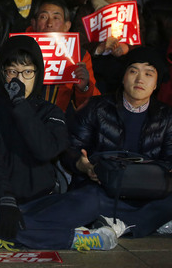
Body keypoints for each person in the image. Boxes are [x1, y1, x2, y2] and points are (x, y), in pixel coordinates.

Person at [0, 35, 117, 252]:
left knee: (91, 201)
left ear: (37, 75)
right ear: (2, 73)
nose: (19, 79)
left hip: (41, 201)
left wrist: (20, 105)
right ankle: (75, 240)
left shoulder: (50, 111)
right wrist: (6, 199)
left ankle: (2, 237)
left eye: (27, 72)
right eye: (12, 72)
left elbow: (45, 150)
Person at [63, 47, 172, 239]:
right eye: (133, 71)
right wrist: (83, 164)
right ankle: (134, 223)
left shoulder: (167, 117)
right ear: (123, 77)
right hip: (101, 188)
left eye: (148, 74)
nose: (140, 80)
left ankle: (118, 224)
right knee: (84, 198)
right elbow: (70, 148)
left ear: (156, 84)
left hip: (147, 192)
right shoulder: (96, 107)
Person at [30, 0, 100, 113]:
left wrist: (84, 87)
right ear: (34, 23)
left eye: (56, 17)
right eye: (43, 17)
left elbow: (92, 105)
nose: (50, 24)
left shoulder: (79, 55)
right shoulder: (19, 49)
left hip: (60, 121)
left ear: (67, 26)